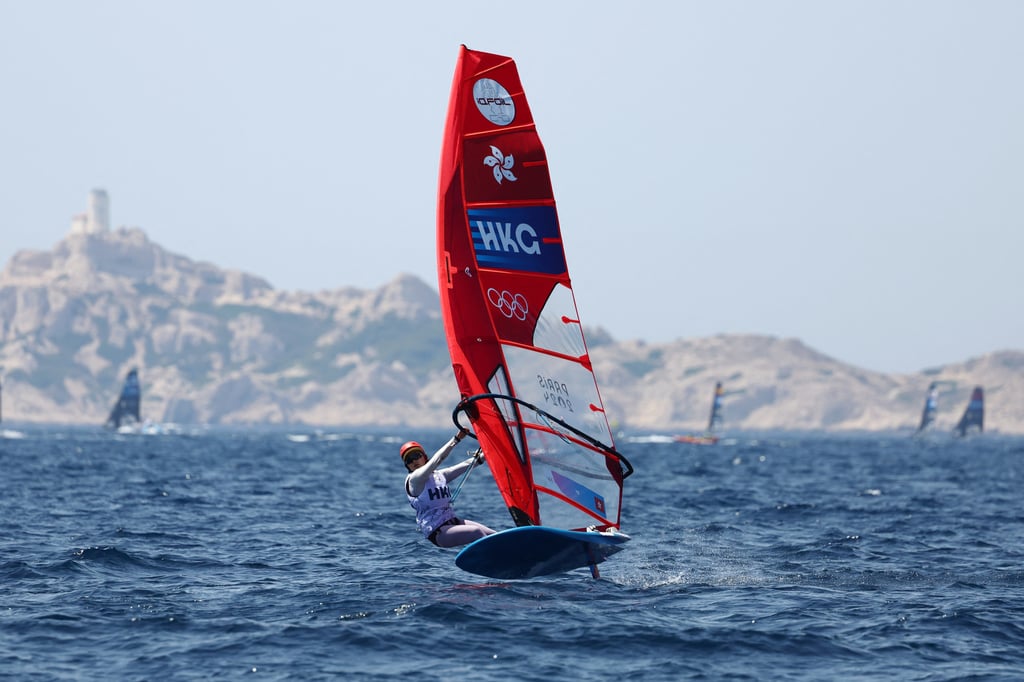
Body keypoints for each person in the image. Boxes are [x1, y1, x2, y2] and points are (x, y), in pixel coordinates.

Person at [402, 429, 496, 548]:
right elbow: (437, 460)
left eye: (416, 456)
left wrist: (490, 451)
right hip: (438, 533)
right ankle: (492, 561)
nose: (414, 461)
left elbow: (469, 464)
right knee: (476, 533)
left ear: (424, 457)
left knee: (494, 535)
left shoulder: (439, 475)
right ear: (407, 465)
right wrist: (456, 440)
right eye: (409, 460)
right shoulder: (414, 480)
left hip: (453, 522)